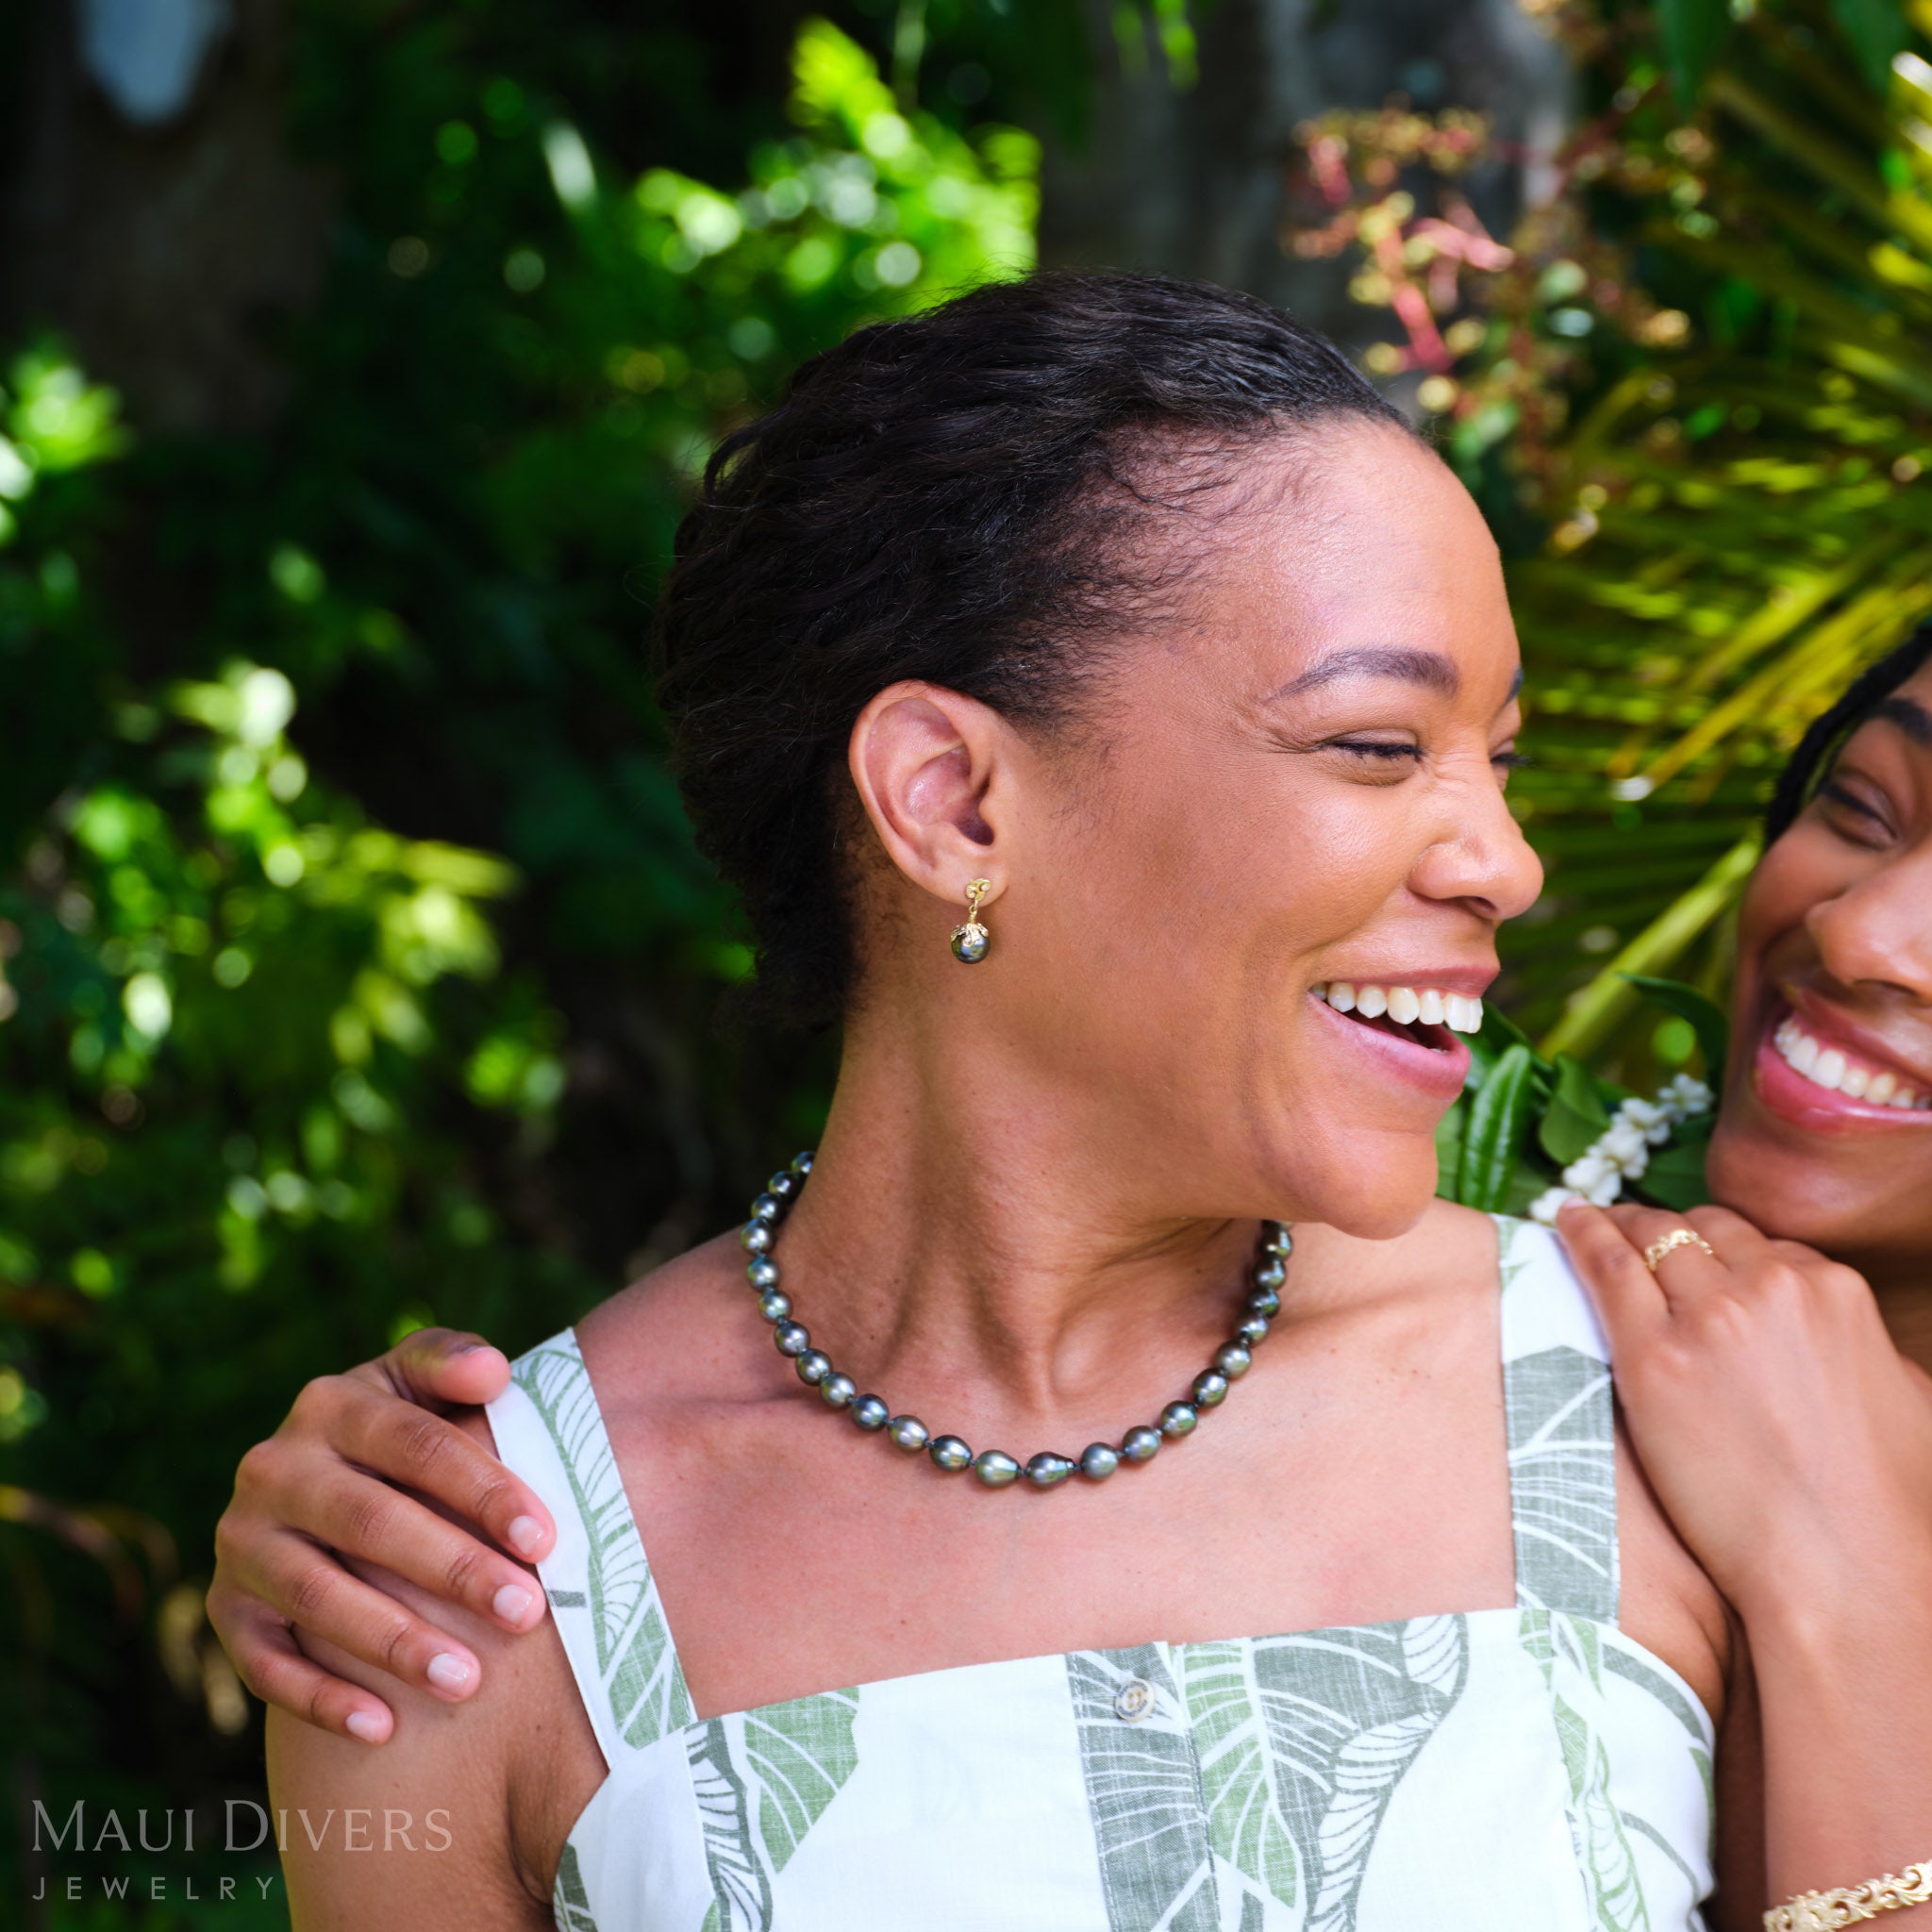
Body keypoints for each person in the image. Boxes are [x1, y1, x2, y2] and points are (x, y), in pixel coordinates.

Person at [206, 273, 1928, 1930]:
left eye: (1502, 757)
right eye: (1381, 748)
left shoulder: (1684, 1417)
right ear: (953, 804)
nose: (1509, 863)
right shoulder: (464, 1591)